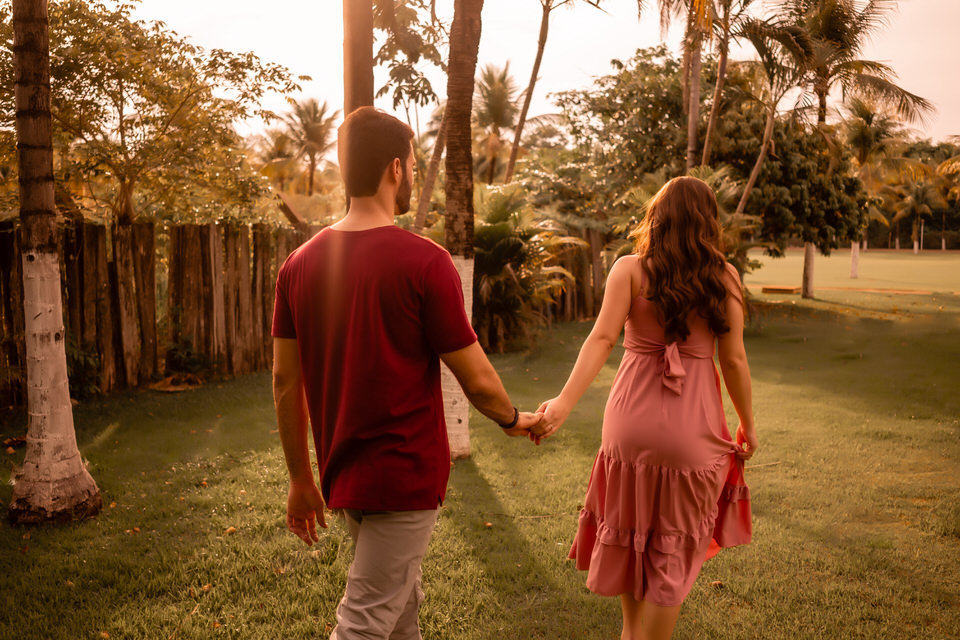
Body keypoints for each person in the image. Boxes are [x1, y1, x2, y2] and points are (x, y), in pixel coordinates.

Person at [271, 106, 543, 640]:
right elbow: (477, 380)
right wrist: (514, 419)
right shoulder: (425, 261)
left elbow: (285, 382)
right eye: (414, 164)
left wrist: (301, 478)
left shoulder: (297, 265)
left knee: (400, 614)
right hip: (403, 476)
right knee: (364, 623)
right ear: (396, 168)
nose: (414, 173)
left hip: (343, 475)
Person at [535, 176, 755, 640]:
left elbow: (601, 339)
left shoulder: (629, 270)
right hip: (691, 432)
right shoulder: (725, 278)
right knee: (672, 549)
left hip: (628, 427)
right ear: (708, 222)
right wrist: (747, 426)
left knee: (632, 534)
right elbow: (733, 360)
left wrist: (563, 404)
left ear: (657, 218)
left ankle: (632, 634)